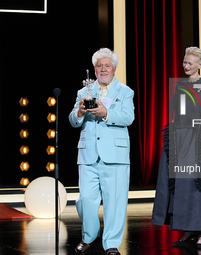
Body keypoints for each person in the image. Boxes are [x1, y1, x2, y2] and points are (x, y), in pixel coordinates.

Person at [151, 46, 201, 249]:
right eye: (184, 62)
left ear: (200, 65)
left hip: (199, 138)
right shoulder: (180, 86)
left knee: (199, 185)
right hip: (181, 137)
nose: (186, 65)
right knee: (182, 185)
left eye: (190, 63)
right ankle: (188, 230)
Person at [69, 48, 135, 255]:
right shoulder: (84, 92)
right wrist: (79, 112)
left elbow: (128, 118)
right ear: (94, 69)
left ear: (114, 69)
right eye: (99, 66)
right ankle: (89, 235)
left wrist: (106, 113)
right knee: (86, 200)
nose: (103, 69)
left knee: (115, 202)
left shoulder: (125, 92)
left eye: (107, 65)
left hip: (115, 155)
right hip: (88, 155)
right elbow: (73, 121)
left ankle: (111, 244)